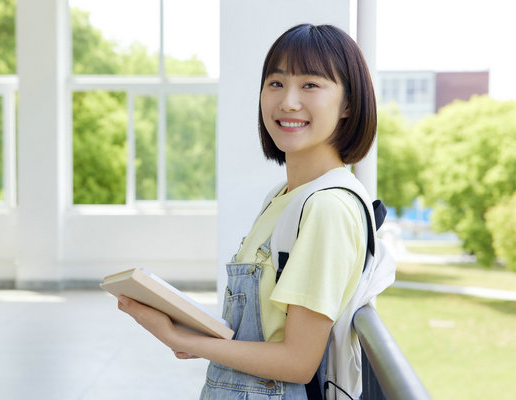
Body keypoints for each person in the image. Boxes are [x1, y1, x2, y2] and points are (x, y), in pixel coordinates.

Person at [117, 23, 377, 399]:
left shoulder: (327, 207)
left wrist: (177, 337)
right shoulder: (283, 196)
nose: (288, 101)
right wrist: (192, 325)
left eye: (310, 85)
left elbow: (298, 361)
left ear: (348, 104)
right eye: (275, 83)